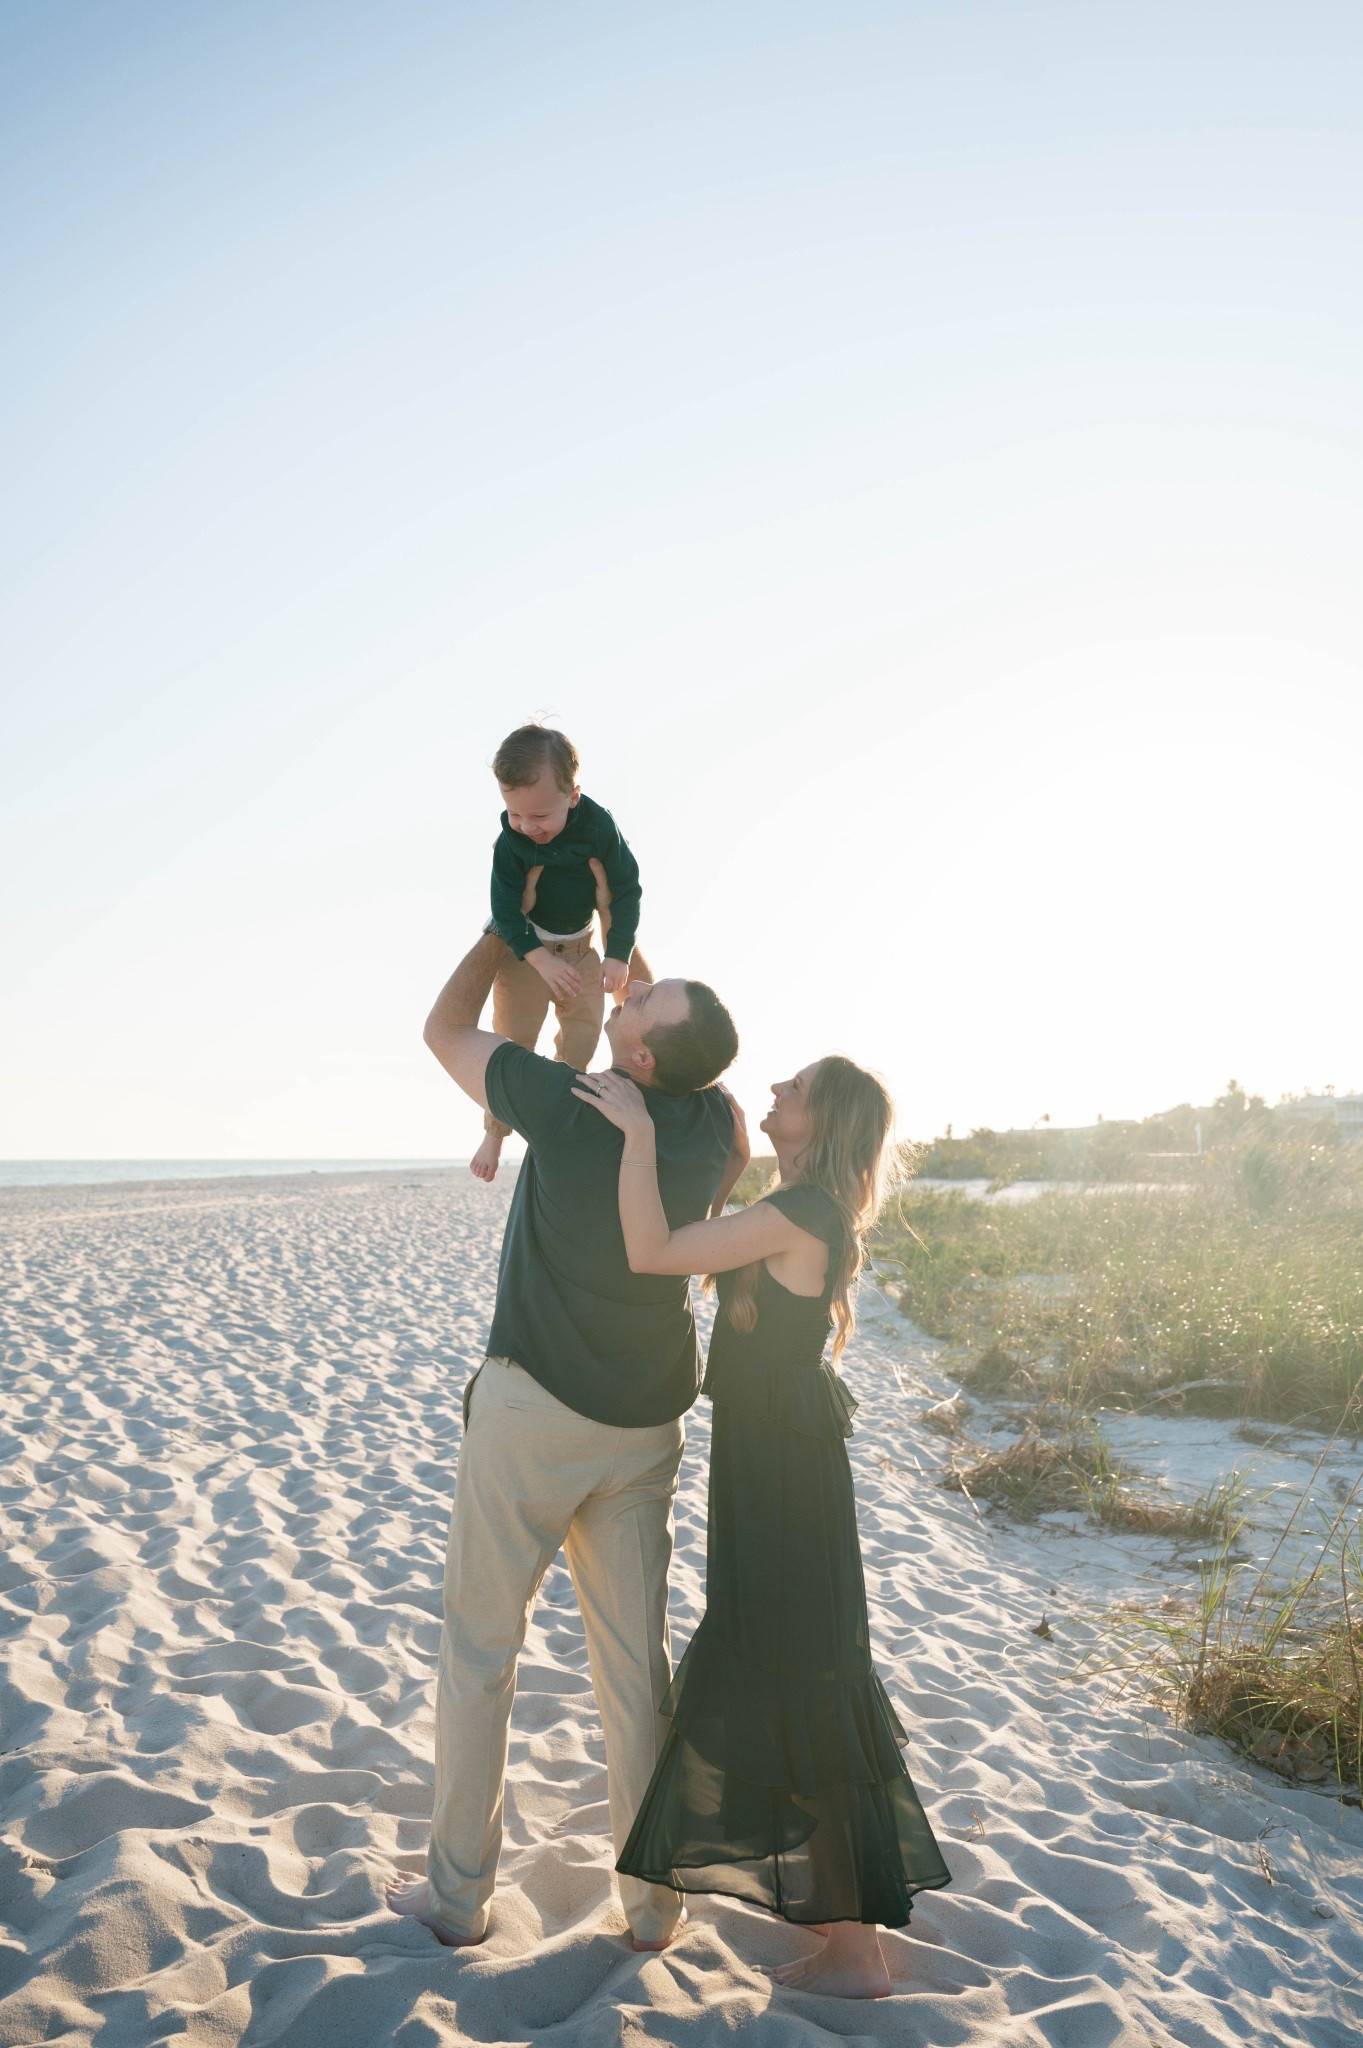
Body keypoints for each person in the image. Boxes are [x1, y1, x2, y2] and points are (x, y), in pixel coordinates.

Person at [387, 929, 746, 1951]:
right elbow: (689, 1057)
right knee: (635, 1672)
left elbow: (443, 1029)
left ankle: (459, 1895)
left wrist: (504, 929)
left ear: (638, 1058)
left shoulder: (568, 1102)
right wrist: (618, 971)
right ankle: (652, 1906)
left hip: (535, 1413)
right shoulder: (717, 1118)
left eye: (639, 1003)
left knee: (479, 1650)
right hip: (643, 1428)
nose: (626, 996)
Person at [573, 1055, 952, 1999]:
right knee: (791, 1668)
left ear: (820, 1124)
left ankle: (856, 1951)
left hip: (783, 1479)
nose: (774, 1088)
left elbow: (654, 1252)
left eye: (794, 1089)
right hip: (772, 1467)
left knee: (803, 1675)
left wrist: (638, 1136)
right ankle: (838, 1933)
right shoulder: (794, 1208)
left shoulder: (799, 1214)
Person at [471, 721, 651, 1185]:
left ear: (573, 795)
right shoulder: (511, 842)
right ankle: (495, 1130)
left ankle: (555, 1121)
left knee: (583, 1039)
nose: (528, 828)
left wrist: (618, 954)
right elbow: (505, 910)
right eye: (516, 814)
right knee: (514, 1043)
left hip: (583, 949)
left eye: (540, 816)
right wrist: (539, 958)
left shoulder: (598, 826)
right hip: (528, 953)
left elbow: (626, 890)